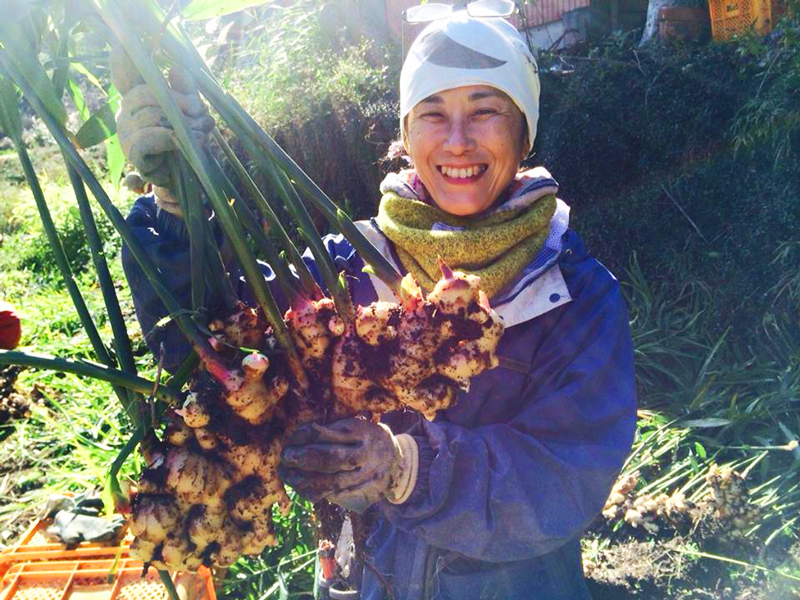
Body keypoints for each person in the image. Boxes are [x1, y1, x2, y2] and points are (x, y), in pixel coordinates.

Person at [117, 10, 637, 600]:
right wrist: (178, 206)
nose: (457, 139)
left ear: (524, 132)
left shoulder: (575, 295)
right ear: (407, 134)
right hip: (360, 575)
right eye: (433, 114)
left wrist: (407, 468)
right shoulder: (347, 266)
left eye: (486, 110)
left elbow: (568, 474)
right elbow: (212, 343)